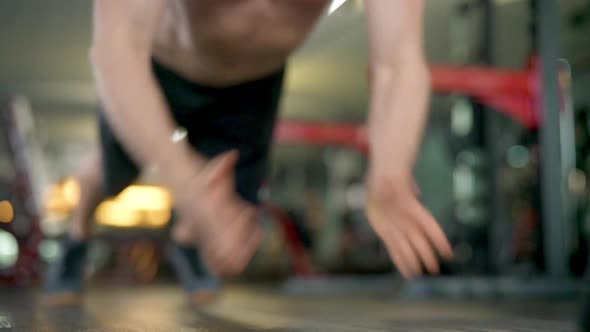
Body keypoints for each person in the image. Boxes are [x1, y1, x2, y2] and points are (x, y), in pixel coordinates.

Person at [44, 0, 453, 305]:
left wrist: (390, 172)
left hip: (254, 85)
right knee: (112, 175)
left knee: (230, 207)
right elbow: (116, 49)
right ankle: (76, 239)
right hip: (158, 67)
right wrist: (185, 182)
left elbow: (397, 61)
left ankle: (186, 245)